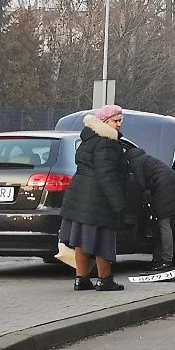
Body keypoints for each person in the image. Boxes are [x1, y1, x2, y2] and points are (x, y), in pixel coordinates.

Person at [59, 104, 128, 292]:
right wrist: (118, 203)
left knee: (82, 240)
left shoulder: (88, 140)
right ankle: (105, 279)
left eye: (121, 120)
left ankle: (81, 279)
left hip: (80, 196)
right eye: (116, 120)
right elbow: (107, 175)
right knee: (103, 239)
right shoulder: (107, 142)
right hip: (99, 198)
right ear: (105, 122)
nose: (119, 124)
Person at [123, 142, 175, 272]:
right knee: (160, 225)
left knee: (163, 224)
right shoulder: (144, 158)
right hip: (172, 186)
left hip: (165, 190)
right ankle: (158, 259)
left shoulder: (134, 162)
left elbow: (141, 183)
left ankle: (166, 260)